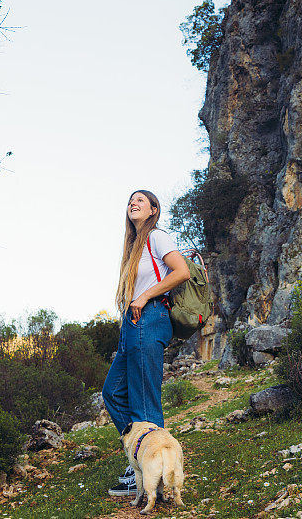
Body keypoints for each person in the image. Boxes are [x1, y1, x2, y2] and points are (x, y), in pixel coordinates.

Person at [102, 190, 190, 497]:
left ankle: (154, 470)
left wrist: (144, 296)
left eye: (140, 200)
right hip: (132, 322)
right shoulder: (133, 247)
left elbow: (182, 271)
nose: (133, 204)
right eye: (130, 201)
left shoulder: (157, 237)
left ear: (154, 210)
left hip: (150, 316)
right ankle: (142, 457)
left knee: (144, 400)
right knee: (113, 391)